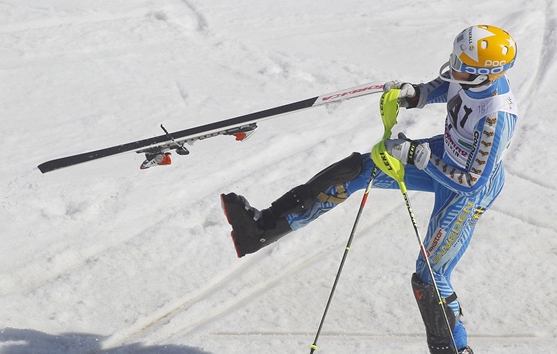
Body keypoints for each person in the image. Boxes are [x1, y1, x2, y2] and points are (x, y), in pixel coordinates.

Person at [221, 24, 518, 354]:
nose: (453, 67)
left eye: (461, 65)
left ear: (483, 75)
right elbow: (448, 85)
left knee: (430, 275)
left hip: (464, 190)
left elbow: (472, 181)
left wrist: (420, 159)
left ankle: (455, 350)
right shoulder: (467, 77)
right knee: (360, 169)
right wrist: (417, 94)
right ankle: (262, 227)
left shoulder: (496, 117)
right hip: (442, 155)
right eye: (455, 58)